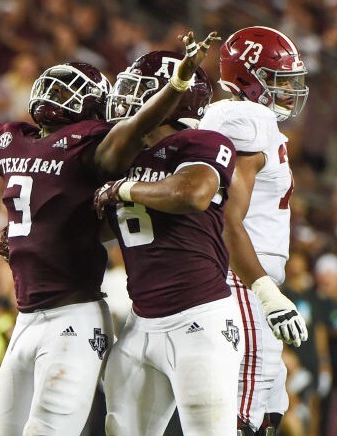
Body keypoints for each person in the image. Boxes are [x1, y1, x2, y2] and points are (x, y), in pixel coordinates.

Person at [0, 15, 215, 435]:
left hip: (74, 318)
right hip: (25, 318)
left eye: (68, 88)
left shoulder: (93, 146)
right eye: (55, 86)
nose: (56, 93)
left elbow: (136, 128)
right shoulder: (16, 140)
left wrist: (177, 85)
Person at [93, 50, 240, 435]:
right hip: (140, 324)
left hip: (199, 319)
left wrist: (124, 189)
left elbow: (192, 193)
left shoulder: (202, 142)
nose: (128, 97)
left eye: (141, 88)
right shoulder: (125, 154)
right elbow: (102, 226)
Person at [196, 26, 310, 435]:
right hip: (241, 276)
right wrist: (263, 290)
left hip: (247, 274)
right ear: (248, 78)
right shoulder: (248, 117)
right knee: (247, 402)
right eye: (279, 80)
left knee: (270, 404)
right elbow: (228, 218)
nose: (289, 91)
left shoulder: (244, 118)